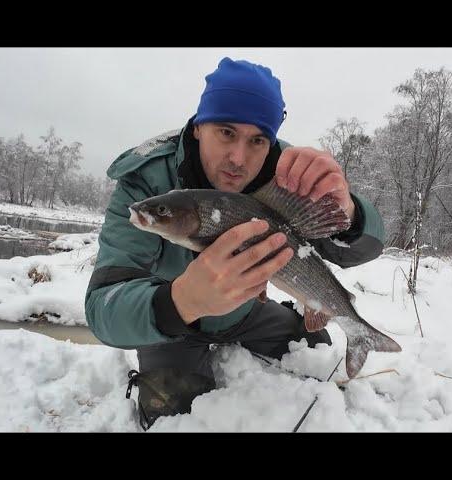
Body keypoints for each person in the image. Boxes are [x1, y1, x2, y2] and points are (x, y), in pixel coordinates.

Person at [84, 57, 385, 430]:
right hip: (170, 323)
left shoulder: (286, 173)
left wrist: (350, 214)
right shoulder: (146, 179)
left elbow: (365, 248)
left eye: (257, 140)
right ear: (198, 127)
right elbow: (102, 308)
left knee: (314, 348)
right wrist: (182, 302)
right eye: (226, 132)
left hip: (244, 314)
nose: (239, 159)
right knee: (173, 415)